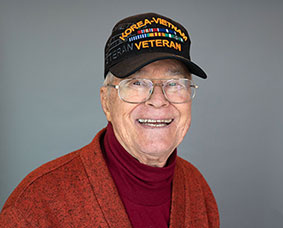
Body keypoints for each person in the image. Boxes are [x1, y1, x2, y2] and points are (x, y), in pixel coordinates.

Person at [0, 12, 219, 227]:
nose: (158, 101)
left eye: (174, 83)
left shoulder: (197, 187)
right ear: (106, 102)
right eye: (137, 83)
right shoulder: (35, 205)